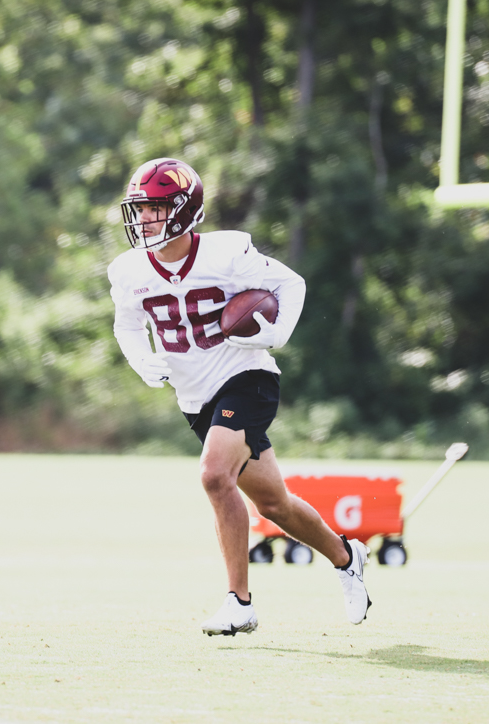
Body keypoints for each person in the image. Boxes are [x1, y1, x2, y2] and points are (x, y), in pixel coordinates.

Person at [107, 157, 371, 636]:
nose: (144, 219)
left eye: (155, 208)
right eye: (140, 209)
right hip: (195, 398)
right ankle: (347, 556)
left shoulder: (226, 254)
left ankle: (239, 602)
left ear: (184, 210)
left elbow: (291, 285)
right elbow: (126, 324)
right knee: (275, 505)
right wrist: (140, 359)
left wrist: (274, 335)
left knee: (213, 476)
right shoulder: (127, 271)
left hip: (246, 376)